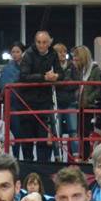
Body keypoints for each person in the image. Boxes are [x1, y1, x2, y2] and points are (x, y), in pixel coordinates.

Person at [17, 31, 59, 162]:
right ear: (35, 42)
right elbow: (23, 76)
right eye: (39, 42)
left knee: (43, 137)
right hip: (27, 102)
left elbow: (61, 73)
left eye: (44, 42)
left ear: (50, 42)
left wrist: (56, 76)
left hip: (44, 101)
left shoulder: (53, 53)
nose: (41, 45)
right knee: (27, 138)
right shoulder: (28, 54)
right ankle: (28, 164)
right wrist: (44, 77)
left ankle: (43, 165)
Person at [72, 45, 101, 156]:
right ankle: (83, 156)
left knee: (87, 133)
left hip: (90, 107)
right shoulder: (81, 71)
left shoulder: (96, 70)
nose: (75, 61)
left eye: (77, 58)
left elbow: (100, 88)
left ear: (83, 58)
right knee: (81, 133)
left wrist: (89, 99)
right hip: (80, 106)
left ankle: (87, 156)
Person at [0, 42, 26, 157]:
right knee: (14, 133)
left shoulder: (28, 66)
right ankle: (15, 158)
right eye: (13, 52)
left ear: (23, 53)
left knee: (26, 134)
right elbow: (3, 87)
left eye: (17, 52)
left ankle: (28, 159)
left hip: (26, 105)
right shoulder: (6, 69)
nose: (15, 54)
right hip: (12, 105)